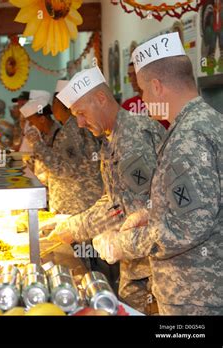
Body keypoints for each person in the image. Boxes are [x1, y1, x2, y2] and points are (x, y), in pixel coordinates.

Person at [93, 32, 223, 315]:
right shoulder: (204, 121)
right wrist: (150, 212)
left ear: (157, 86)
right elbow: (199, 202)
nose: (142, 98)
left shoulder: (190, 136)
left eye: (142, 90)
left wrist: (121, 244)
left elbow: (188, 227)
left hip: (197, 295)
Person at [46, 66, 165, 313]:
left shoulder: (131, 140)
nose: (78, 123)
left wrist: (76, 228)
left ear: (101, 99)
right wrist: (72, 222)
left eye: (81, 113)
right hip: (136, 264)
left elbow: (136, 209)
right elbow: (112, 199)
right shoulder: (113, 137)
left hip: (154, 269)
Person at [24, 83, 103, 215]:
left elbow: (65, 169)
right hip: (75, 204)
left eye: (54, 103)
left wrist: (37, 144)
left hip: (77, 204)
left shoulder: (72, 130)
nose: (53, 108)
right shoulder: (70, 127)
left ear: (62, 103)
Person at [122, 62, 170, 129]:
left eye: (135, 74)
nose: (132, 79)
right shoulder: (127, 106)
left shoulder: (163, 102)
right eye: (130, 75)